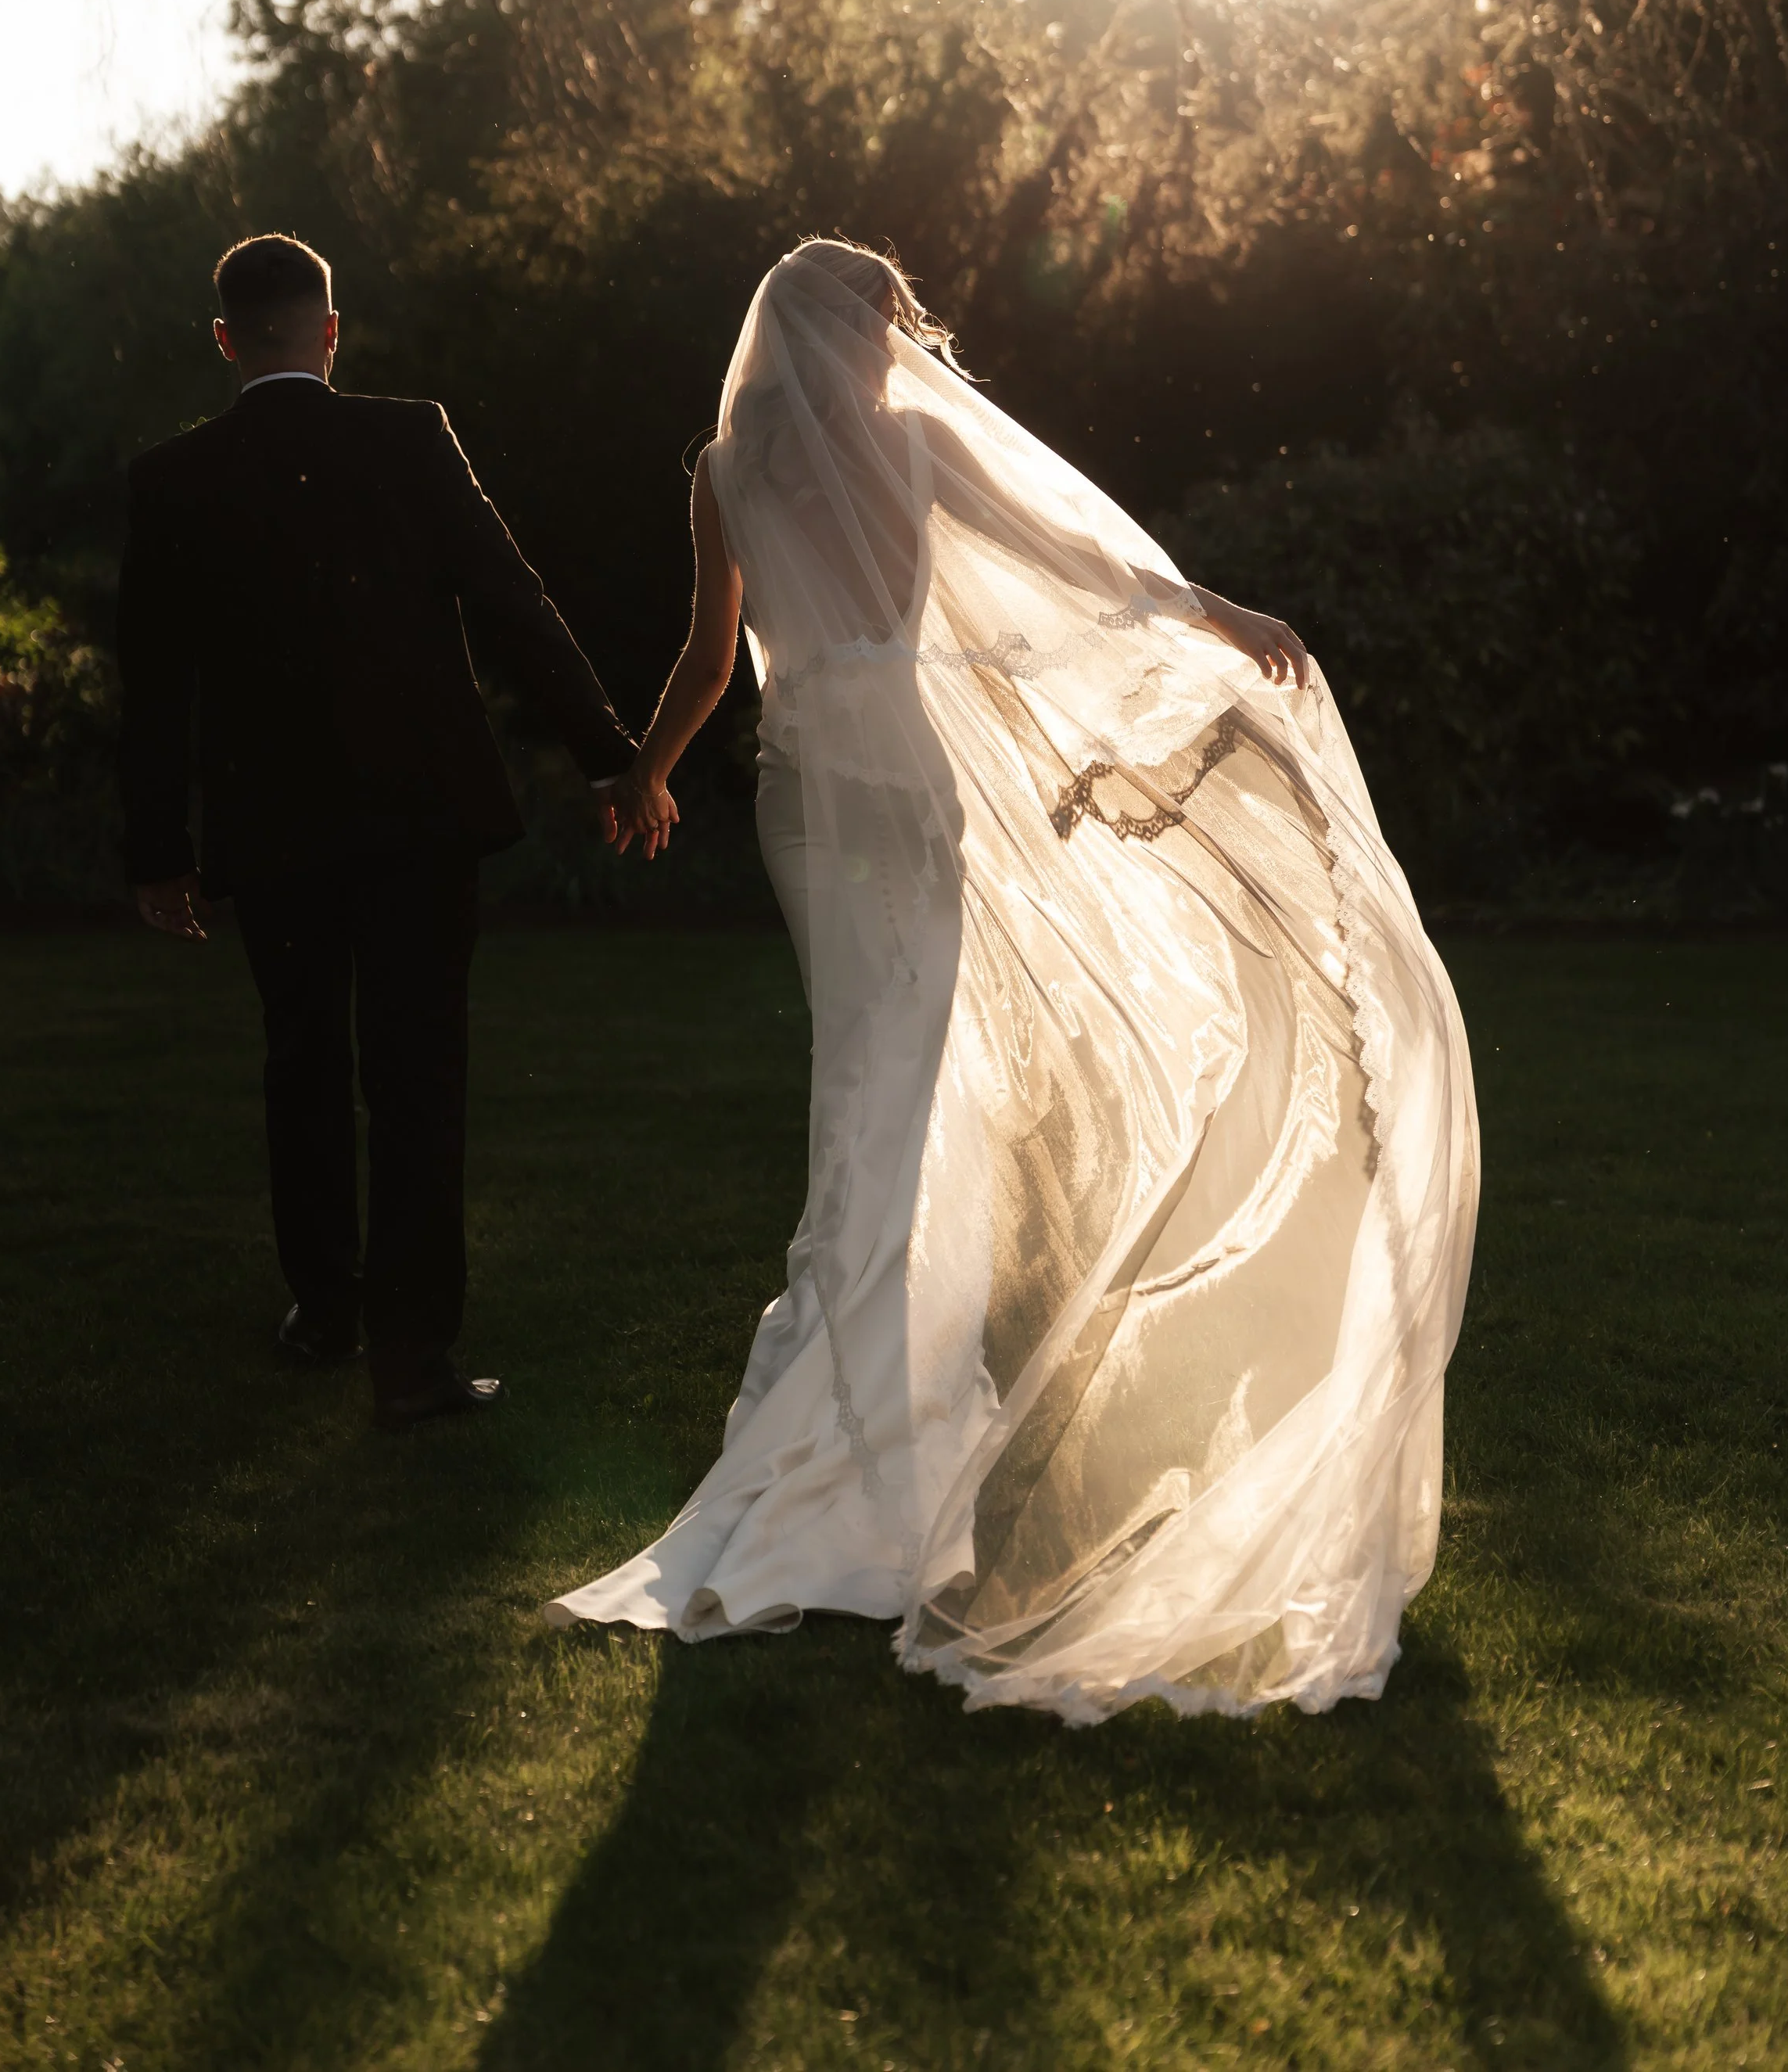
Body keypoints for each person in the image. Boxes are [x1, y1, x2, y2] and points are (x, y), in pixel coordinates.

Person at [549, 239, 1480, 1723]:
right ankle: (885, 1407)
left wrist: (654, 769)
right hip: (903, 782)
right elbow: (1075, 563)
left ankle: (870, 1398)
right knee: (905, 1086)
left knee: (871, 1080)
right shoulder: (918, 448)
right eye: (890, 325)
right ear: (866, 335)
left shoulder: (725, 469)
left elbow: (711, 657)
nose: (898, 349)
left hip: (809, 792)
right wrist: (1218, 614)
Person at [117, 233, 641, 1428]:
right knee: (417, 1076)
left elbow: (155, 686)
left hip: (271, 823)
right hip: (418, 813)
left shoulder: (174, 477)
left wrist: (157, 850)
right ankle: (410, 1358)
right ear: (332, 330)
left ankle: (324, 1309)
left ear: (224, 338)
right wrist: (609, 753)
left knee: (299, 1060)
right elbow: (512, 601)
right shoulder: (410, 439)